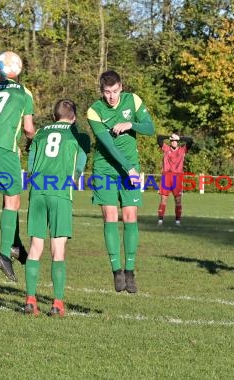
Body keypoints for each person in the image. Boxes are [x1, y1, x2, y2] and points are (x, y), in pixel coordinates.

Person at [86, 70, 155, 293]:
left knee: (130, 216)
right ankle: (116, 270)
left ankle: (130, 270)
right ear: (101, 91)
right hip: (106, 169)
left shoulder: (132, 100)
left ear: (121, 87)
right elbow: (108, 145)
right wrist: (130, 169)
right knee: (110, 216)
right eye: (107, 92)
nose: (112, 97)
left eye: (115, 91)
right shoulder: (94, 111)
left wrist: (130, 124)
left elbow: (150, 128)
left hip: (130, 169)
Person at [23, 99, 88, 317]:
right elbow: (80, 164)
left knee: (35, 247)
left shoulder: (40, 133)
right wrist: (75, 177)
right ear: (74, 117)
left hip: (38, 192)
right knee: (57, 250)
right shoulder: (78, 134)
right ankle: (57, 303)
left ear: (53, 116)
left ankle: (31, 300)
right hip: (61, 193)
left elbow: (30, 164)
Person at [0, 51, 35, 283]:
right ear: (19, 70)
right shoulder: (24, 93)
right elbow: (28, 128)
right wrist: (33, 141)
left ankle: (16, 245)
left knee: (9, 198)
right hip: (5, 150)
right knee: (14, 199)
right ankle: (5, 254)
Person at [156, 133, 193, 226]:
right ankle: (160, 220)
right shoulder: (166, 148)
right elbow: (159, 138)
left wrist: (179, 137)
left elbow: (190, 140)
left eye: (175, 141)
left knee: (178, 200)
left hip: (177, 177)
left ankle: (177, 221)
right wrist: (170, 137)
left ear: (178, 142)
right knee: (163, 199)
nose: (174, 142)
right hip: (166, 176)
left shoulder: (182, 150)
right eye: (172, 141)